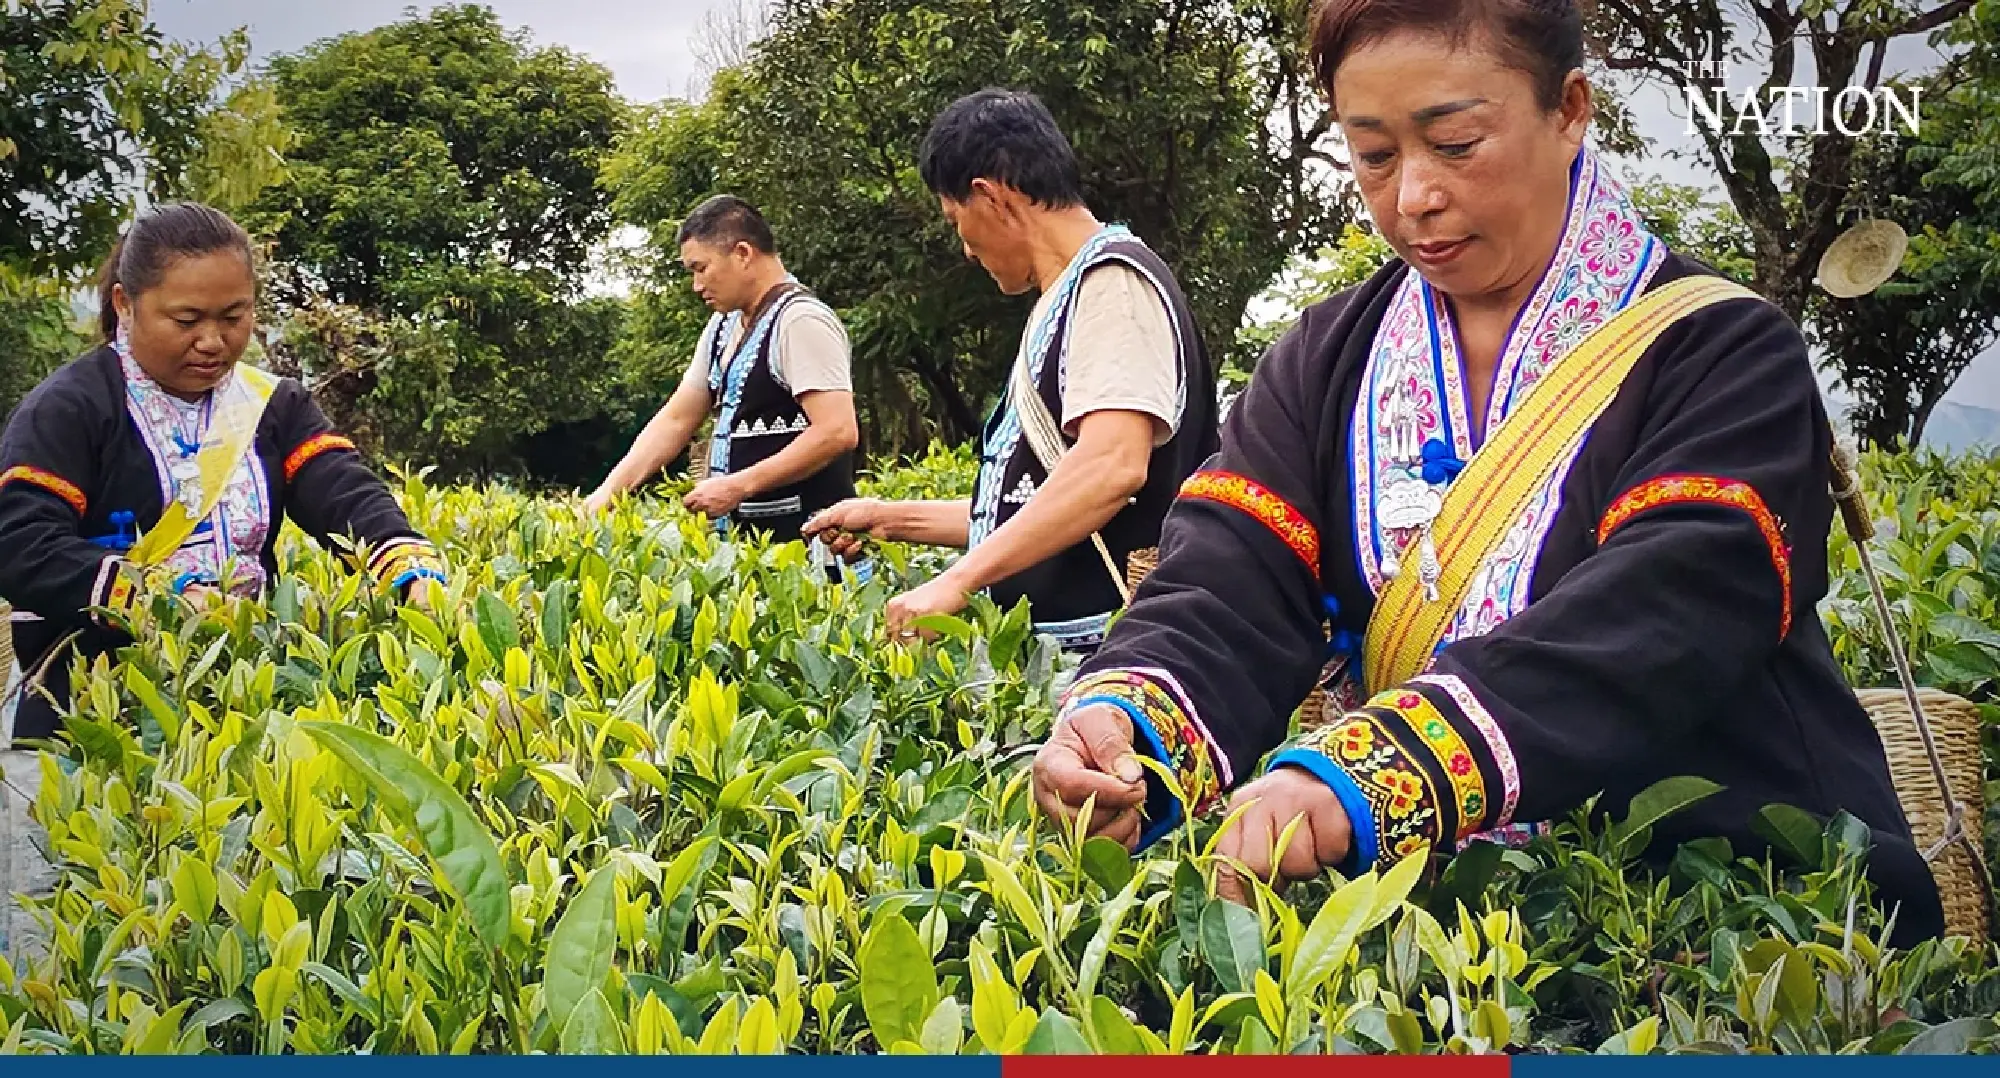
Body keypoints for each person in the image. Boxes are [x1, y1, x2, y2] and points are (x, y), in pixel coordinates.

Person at [1028, 0, 1945, 943]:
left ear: (1570, 109)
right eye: (1374, 155)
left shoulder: (1723, 352)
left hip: (1734, 935)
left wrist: (1377, 776)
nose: (1413, 196)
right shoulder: (1323, 359)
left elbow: (1666, 612)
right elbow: (1227, 582)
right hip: (1450, 947)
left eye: (1456, 143)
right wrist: (1126, 721)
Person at [0, 202, 445, 741]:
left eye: (234, 317)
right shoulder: (71, 409)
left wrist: (402, 559)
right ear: (125, 304)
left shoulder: (271, 405)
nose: (212, 341)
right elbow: (22, 544)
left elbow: (341, 489)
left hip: (241, 700)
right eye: (186, 320)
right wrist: (156, 597)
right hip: (90, 714)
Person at [804, 90, 1219, 653]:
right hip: (1063, 651)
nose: (967, 250)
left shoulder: (1112, 284)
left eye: (956, 221)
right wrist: (886, 519)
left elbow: (1111, 467)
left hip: (1108, 653)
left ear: (992, 198)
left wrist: (956, 581)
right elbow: (1027, 507)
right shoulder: (1067, 296)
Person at [586, 196, 860, 547]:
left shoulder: (800, 321)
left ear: (743, 253)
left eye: (701, 268)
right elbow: (677, 419)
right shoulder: (723, 327)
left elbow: (837, 431)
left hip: (810, 548)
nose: (696, 286)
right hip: (749, 550)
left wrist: (737, 486)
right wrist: (608, 493)